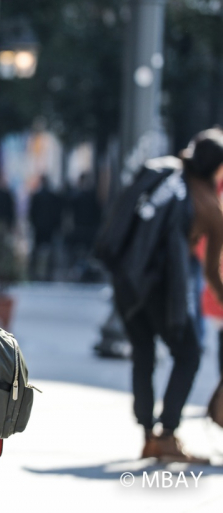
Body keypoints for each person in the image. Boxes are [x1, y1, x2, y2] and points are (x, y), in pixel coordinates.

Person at [95, 128, 223, 463]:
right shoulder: (210, 206)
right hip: (163, 290)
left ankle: (147, 434)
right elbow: (211, 273)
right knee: (189, 353)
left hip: (127, 281)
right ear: (218, 169)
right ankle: (167, 434)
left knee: (143, 353)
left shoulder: (163, 174)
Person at [28, 175, 63, 281]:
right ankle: (48, 273)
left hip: (39, 227)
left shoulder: (37, 196)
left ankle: (36, 273)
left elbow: (32, 213)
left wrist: (34, 224)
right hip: (50, 228)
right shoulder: (54, 196)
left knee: (38, 251)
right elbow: (57, 213)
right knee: (49, 250)